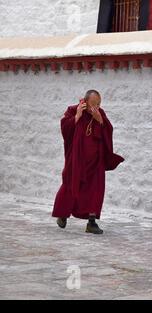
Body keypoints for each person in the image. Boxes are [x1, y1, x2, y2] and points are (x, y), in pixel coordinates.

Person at [52, 90, 124, 234]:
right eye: (93, 104)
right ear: (85, 101)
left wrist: (100, 121)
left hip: (95, 160)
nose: (95, 108)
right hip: (77, 159)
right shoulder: (73, 110)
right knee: (70, 185)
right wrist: (77, 117)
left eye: (98, 104)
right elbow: (65, 129)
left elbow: (108, 130)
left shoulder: (100, 113)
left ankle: (91, 222)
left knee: (95, 190)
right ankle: (62, 214)